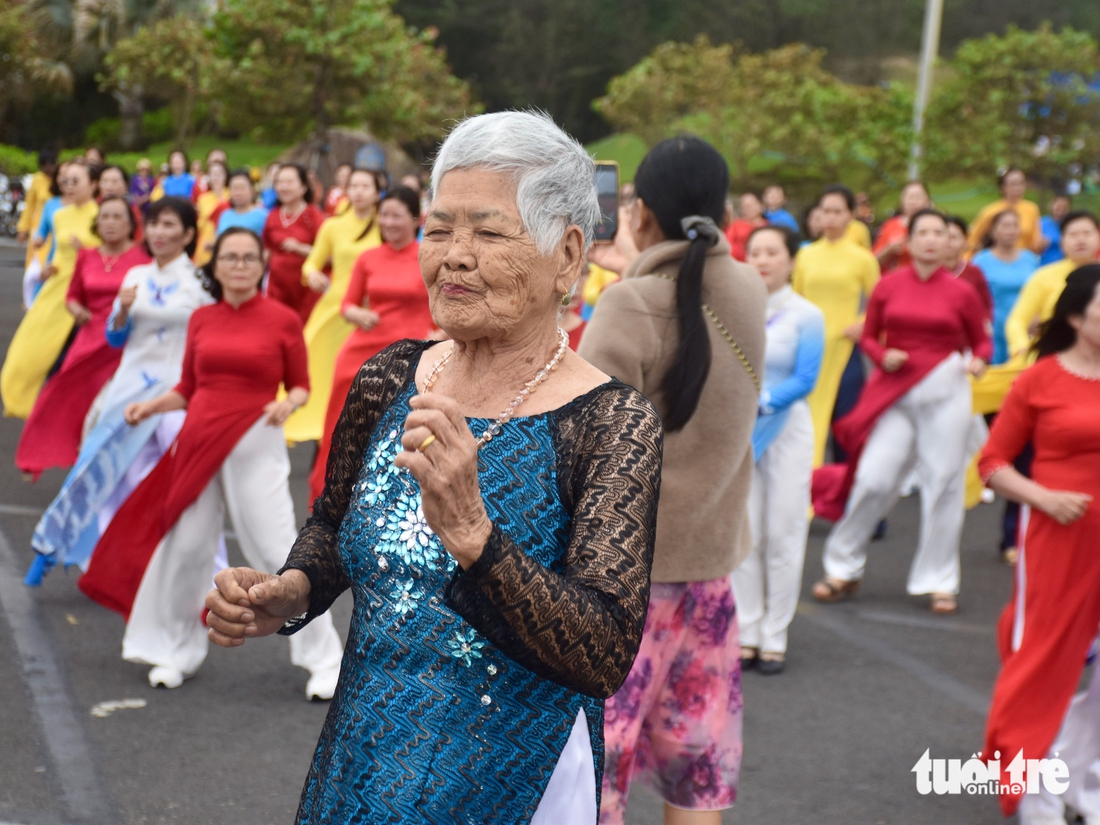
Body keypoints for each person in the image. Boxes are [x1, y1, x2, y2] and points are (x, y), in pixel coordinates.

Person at [203, 110, 663, 822]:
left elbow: (603, 652)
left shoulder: (609, 422)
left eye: (487, 232)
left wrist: (475, 536)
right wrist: (289, 590)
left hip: (514, 777)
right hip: (365, 760)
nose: (453, 254)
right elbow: (333, 525)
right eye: (439, 228)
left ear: (568, 256)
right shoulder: (391, 377)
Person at [580, 135, 766, 825]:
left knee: (596, 773)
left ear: (639, 210)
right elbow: (688, 304)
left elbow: (581, 433)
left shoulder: (631, 305)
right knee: (695, 773)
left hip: (625, 582)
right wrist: (634, 270)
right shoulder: (748, 287)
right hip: (708, 575)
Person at [80, 227, 345, 696]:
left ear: (261, 265)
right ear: (216, 265)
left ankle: (324, 660)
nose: (239, 265)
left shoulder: (283, 319)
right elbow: (187, 387)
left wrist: (290, 403)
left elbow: (301, 384)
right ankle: (174, 650)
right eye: (230, 258)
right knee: (187, 550)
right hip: (198, 441)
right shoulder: (201, 318)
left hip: (255, 443)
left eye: (248, 258)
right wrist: (150, 407)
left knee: (279, 550)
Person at [811, 210, 991, 613]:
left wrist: (979, 362)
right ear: (907, 241)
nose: (931, 240)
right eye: (922, 232)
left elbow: (981, 343)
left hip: (946, 390)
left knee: (943, 485)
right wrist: (882, 353)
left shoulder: (962, 291)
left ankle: (939, 580)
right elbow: (869, 337)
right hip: (895, 391)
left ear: (951, 242)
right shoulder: (888, 285)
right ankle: (843, 567)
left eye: (939, 234)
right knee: (873, 479)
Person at [27, 198, 211, 584]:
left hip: (176, 394)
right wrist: (123, 312)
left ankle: (190, 572)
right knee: (96, 467)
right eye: (155, 225)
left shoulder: (202, 284)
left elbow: (210, 342)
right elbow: (115, 338)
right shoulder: (136, 277)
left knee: (173, 481)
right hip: (128, 387)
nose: (160, 233)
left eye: (169, 225)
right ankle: (58, 545)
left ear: (189, 234)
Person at [980, 266, 1100, 824]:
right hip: (1059, 538)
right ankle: (1035, 791)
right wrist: (1045, 498)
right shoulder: (1040, 379)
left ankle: (1080, 780)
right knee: (1043, 666)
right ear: (1076, 316)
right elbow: (993, 463)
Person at [731, 225, 824, 676]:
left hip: (785, 428)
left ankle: (775, 635)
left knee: (784, 530)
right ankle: (746, 629)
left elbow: (806, 379)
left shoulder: (808, 314)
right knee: (746, 532)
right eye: (755, 252)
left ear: (791, 259)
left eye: (772, 252)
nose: (763, 260)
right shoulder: (733, 312)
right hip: (741, 430)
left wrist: (763, 401)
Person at [306, 185, 433, 504]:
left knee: (399, 430)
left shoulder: (428, 255)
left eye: (396, 215)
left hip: (411, 353)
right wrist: (358, 313)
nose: (389, 222)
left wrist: (437, 333)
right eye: (384, 215)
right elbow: (347, 304)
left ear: (414, 219)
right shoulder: (368, 257)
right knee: (345, 424)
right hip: (363, 350)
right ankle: (333, 489)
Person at [15, 197, 151, 477]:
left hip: (123, 343)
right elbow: (73, 295)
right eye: (105, 217)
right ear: (97, 223)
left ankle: (110, 465)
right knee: (66, 398)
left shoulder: (144, 259)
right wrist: (76, 310)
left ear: (130, 224)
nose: (111, 223)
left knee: (108, 410)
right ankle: (66, 457)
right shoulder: (87, 255)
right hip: (88, 340)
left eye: (117, 217)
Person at [284, 167, 382, 444]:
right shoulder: (332, 226)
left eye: (366, 186)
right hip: (334, 308)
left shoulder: (386, 226)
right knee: (321, 367)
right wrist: (312, 274)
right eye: (355, 186)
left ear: (377, 192)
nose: (360, 191)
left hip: (373, 310)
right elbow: (312, 263)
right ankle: (322, 424)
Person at [2, 161, 100, 420]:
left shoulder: (101, 216)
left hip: (89, 291)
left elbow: (111, 255)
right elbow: (57, 251)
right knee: (35, 345)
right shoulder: (58, 214)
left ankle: (68, 406)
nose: (69, 186)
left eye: (75, 181)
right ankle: (27, 397)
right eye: (66, 181)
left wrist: (86, 251)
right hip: (57, 287)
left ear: (93, 184)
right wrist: (47, 269)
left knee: (75, 351)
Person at [792, 184, 881, 467]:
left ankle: (846, 492)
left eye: (837, 211)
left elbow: (880, 303)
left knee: (845, 424)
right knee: (805, 421)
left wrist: (863, 324)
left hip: (845, 349)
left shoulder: (863, 258)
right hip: (809, 348)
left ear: (851, 215)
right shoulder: (805, 255)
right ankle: (807, 487)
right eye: (825, 210)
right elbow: (795, 299)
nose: (830, 217)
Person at [1005, 210, 1100, 362]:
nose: (1081, 240)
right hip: (1052, 359)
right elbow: (1017, 320)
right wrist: (1022, 348)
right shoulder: (1044, 277)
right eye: (1073, 235)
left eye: (1087, 233)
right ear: (1062, 241)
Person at [971, 210, 1041, 364]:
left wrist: (1036, 319)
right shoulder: (980, 261)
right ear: (993, 231)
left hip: (1025, 327)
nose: (1011, 231)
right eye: (1006, 226)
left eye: (1015, 226)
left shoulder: (1030, 259)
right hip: (994, 327)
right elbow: (973, 297)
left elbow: (1039, 292)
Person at [262, 163, 326, 323]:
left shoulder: (313, 216)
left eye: (289, 182)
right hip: (277, 288)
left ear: (303, 187)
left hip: (306, 290)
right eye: (279, 182)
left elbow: (330, 255)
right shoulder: (272, 215)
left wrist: (300, 249)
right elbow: (267, 250)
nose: (283, 187)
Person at [966, 166, 1042, 256]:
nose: (1017, 188)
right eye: (1013, 184)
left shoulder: (1031, 209)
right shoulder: (990, 211)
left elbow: (1035, 242)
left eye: (1021, 183)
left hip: (1021, 259)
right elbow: (973, 240)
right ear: (1003, 186)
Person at [872, 181, 932, 273]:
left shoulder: (933, 226)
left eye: (918, 197)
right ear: (902, 200)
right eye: (909, 197)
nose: (913, 202)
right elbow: (872, 261)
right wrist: (889, 249)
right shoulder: (890, 225)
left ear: (927, 201)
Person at [943, 215, 993, 319]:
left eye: (953, 237)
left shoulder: (974, 272)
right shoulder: (927, 271)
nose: (948, 243)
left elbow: (986, 305)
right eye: (943, 236)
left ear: (965, 240)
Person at [16, 150, 57, 269]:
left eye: (51, 165)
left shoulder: (59, 180)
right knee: (37, 262)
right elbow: (29, 206)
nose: (48, 169)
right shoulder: (37, 179)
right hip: (39, 226)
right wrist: (23, 229)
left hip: (56, 224)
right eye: (45, 166)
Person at [194, 159, 229, 266]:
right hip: (206, 241)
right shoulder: (202, 199)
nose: (216, 177)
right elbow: (199, 224)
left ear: (226, 175)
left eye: (219, 174)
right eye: (213, 174)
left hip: (227, 239)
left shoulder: (232, 195)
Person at [215, 170, 268, 237]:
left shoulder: (263, 216)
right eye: (234, 188)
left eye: (242, 188)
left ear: (252, 189)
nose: (238, 193)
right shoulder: (225, 215)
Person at [725, 191, 767, 262]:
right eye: (743, 206)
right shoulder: (735, 225)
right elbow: (728, 246)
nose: (747, 209)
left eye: (750, 206)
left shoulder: (768, 227)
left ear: (761, 206)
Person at [1038, 194, 1071, 266]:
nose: (1061, 210)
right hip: (1044, 265)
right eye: (1058, 206)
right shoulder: (1041, 223)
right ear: (1051, 205)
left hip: (1065, 265)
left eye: (1064, 207)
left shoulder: (1070, 225)